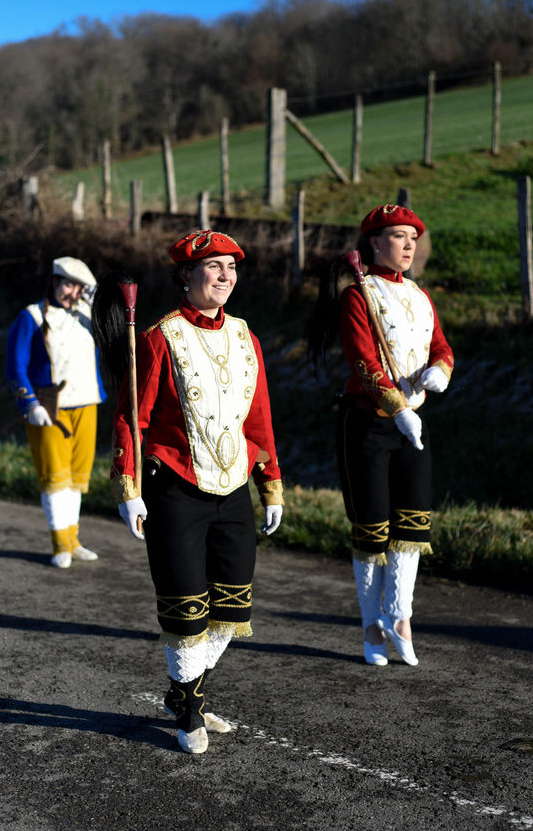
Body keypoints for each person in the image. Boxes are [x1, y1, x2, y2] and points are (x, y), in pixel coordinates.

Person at [92, 230, 283, 755]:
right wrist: (128, 487)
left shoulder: (247, 335)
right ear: (186, 275)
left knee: (232, 606)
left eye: (231, 268)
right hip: (175, 489)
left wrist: (271, 486)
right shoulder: (159, 336)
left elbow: (259, 418)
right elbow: (133, 417)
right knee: (185, 608)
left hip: (235, 488)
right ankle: (191, 712)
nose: (226, 277)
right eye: (214, 267)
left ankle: (183, 692)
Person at [306, 204, 453, 667]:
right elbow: (364, 364)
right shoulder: (357, 296)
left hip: (413, 423)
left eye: (413, 237)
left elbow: (442, 346)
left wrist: (441, 371)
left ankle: (400, 617)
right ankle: (371, 627)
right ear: (373, 242)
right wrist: (397, 409)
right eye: (398, 236)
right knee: (372, 530)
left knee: (412, 526)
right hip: (368, 423)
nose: (409, 245)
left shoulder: (420, 296)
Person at [6, 256, 106, 569]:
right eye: (67, 284)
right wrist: (29, 403)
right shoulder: (32, 316)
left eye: (78, 287)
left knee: (77, 479)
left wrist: (101, 304)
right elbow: (15, 365)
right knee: (54, 478)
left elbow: (115, 337)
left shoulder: (88, 316)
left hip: (87, 403)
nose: (71, 292)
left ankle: (73, 539)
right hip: (49, 408)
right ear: (54, 282)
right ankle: (59, 542)